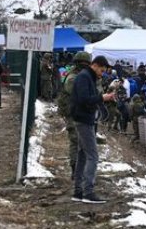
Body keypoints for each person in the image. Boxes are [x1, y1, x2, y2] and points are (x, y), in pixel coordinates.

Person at [70, 55, 116, 203]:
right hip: (83, 120)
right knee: (93, 156)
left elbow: (87, 98)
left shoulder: (87, 77)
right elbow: (84, 99)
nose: (102, 73)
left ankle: (78, 192)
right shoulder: (84, 77)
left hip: (83, 118)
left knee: (83, 155)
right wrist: (103, 98)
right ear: (95, 65)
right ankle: (88, 193)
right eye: (101, 70)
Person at [57, 51, 91, 177]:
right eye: (83, 64)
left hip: (83, 114)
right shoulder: (72, 78)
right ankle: (76, 170)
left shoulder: (82, 76)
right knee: (76, 141)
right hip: (73, 113)